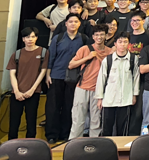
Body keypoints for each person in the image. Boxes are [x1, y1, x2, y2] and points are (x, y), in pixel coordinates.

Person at [45, 13, 88, 143]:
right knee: (53, 107)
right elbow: (51, 57)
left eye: (76, 21)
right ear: (66, 24)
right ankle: (52, 135)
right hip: (56, 76)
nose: (73, 24)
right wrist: (48, 75)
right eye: (70, 22)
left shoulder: (84, 39)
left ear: (79, 24)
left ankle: (65, 134)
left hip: (75, 78)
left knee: (69, 106)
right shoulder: (58, 38)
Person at [69, 24, 110, 139]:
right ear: (93, 36)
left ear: (106, 36)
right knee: (78, 118)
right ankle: (73, 143)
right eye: (96, 35)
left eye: (102, 34)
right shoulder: (85, 49)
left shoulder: (109, 52)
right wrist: (87, 57)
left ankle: (94, 143)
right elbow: (71, 64)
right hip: (82, 87)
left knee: (96, 120)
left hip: (99, 90)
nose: (99, 37)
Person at [7, 27, 48, 140]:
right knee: (14, 121)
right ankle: (11, 145)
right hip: (17, 93)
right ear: (23, 39)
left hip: (34, 92)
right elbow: (12, 74)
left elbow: (43, 72)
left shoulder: (43, 52)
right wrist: (16, 91)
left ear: (37, 38)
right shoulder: (17, 54)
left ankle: (31, 145)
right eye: (27, 37)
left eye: (33, 36)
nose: (30, 39)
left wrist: (32, 90)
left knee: (31, 120)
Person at [96, 32, 140, 136]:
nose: (122, 44)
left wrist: (134, 95)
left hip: (126, 99)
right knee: (106, 128)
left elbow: (136, 78)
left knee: (123, 129)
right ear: (115, 43)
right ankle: (106, 145)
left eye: (125, 42)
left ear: (128, 43)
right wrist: (99, 98)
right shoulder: (108, 60)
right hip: (109, 99)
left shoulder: (133, 59)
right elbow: (101, 79)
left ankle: (121, 146)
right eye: (120, 42)